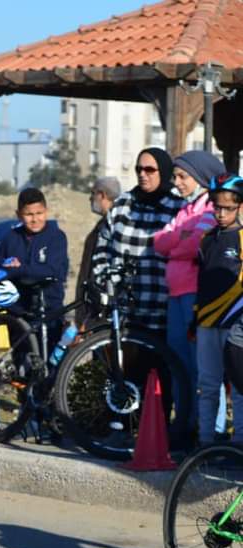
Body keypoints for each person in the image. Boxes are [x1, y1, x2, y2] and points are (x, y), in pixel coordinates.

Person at [154, 150, 226, 440]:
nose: (177, 182)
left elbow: (196, 243)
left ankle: (212, 431)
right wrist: (179, 240)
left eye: (182, 176)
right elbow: (159, 242)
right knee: (179, 365)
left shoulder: (210, 208)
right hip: (176, 295)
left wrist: (178, 241)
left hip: (196, 295)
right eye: (175, 176)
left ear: (200, 177)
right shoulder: (186, 210)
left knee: (204, 367)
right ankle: (185, 423)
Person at [90, 148, 185, 333]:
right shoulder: (122, 205)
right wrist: (107, 282)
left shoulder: (179, 209)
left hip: (162, 310)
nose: (142, 174)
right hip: (122, 310)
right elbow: (102, 248)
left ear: (163, 171)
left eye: (149, 170)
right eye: (138, 169)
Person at [194, 174, 243, 447]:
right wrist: (195, 317)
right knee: (208, 385)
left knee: (239, 387)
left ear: (240, 207)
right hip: (206, 323)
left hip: (235, 325)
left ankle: (239, 445)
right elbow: (201, 278)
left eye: (228, 208)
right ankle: (205, 443)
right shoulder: (206, 238)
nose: (221, 214)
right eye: (217, 207)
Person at [0, 187, 69, 351]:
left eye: (39, 213)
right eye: (29, 214)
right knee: (21, 358)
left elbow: (51, 270)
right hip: (18, 310)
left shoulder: (56, 237)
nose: (35, 219)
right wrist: (5, 268)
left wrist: (18, 270)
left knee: (50, 359)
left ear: (46, 211)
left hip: (49, 308)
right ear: (18, 214)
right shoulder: (10, 238)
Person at [76, 177, 121, 328]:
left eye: (92, 193)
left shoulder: (111, 227)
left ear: (102, 195)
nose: (90, 198)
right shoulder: (103, 225)